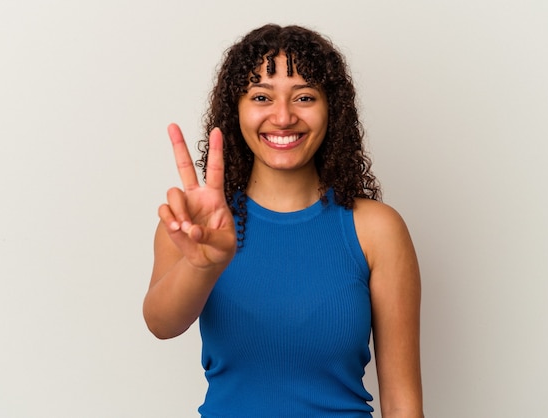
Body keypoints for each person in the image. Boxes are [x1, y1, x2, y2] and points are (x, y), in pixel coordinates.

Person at [143, 24, 423, 418]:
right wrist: (202, 265)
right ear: (236, 110)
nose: (283, 116)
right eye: (261, 97)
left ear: (332, 110)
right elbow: (161, 323)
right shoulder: (197, 227)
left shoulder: (377, 229)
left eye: (304, 97)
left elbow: (402, 403)